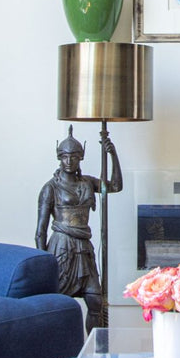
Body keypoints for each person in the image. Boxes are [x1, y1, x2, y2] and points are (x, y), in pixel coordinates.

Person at [35, 127, 122, 325]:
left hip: (84, 247)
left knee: (96, 301)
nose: (69, 161)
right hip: (62, 247)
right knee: (58, 303)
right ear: (59, 157)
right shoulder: (50, 188)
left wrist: (112, 154)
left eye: (74, 157)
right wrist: (44, 265)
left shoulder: (87, 183)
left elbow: (115, 186)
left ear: (80, 158)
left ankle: (95, 351)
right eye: (65, 157)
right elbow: (40, 231)